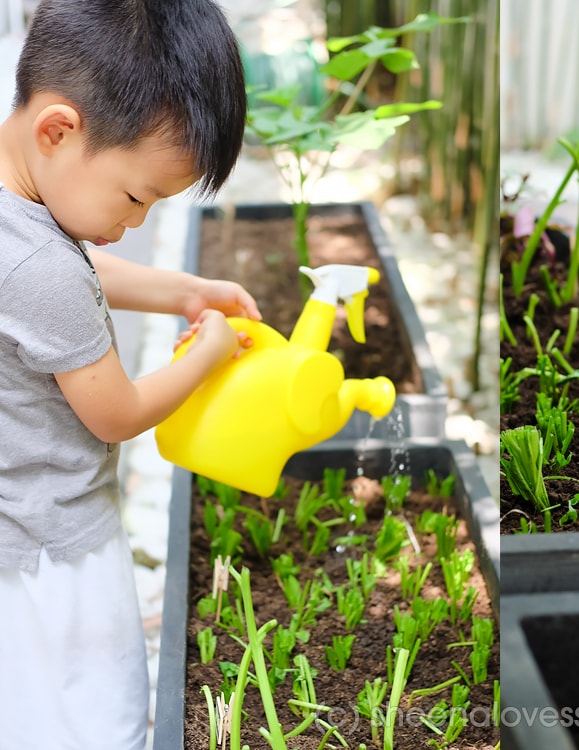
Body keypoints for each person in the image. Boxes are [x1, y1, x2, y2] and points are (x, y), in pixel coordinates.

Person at [0, 1, 258, 748]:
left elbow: (73, 273)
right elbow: (114, 413)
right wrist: (209, 352)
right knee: (93, 717)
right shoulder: (38, 266)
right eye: (138, 196)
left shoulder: (24, 199)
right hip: (55, 548)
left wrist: (179, 290)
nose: (137, 220)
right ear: (59, 129)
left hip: (18, 527)